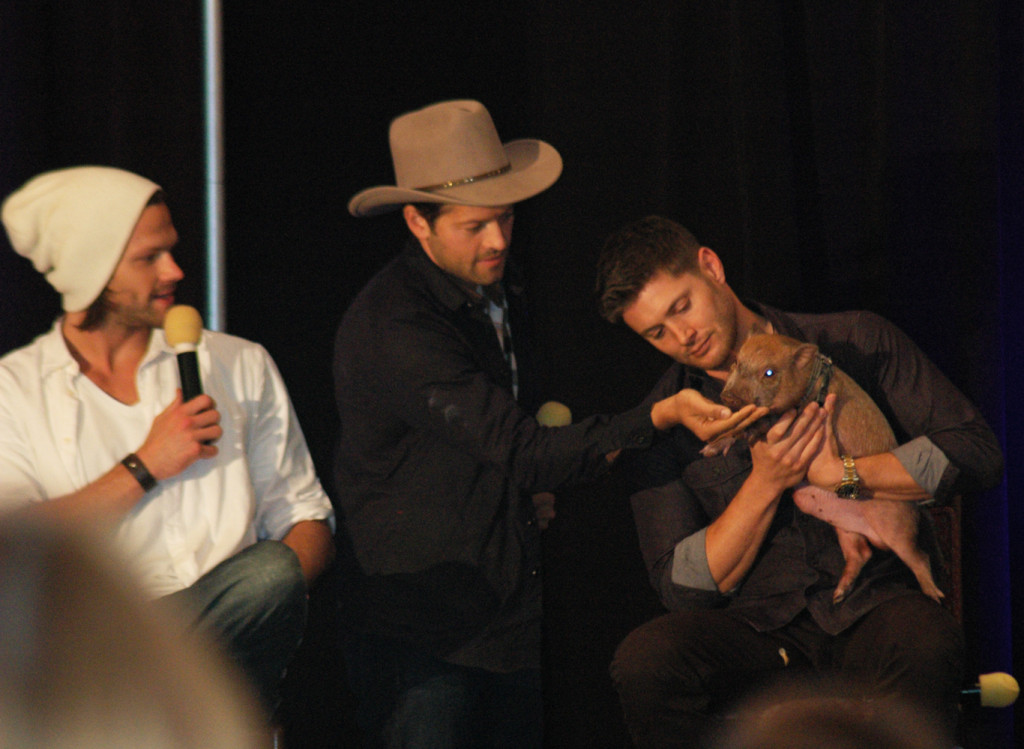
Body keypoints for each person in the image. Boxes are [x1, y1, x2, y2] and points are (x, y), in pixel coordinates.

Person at [336, 101, 754, 748]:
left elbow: (502, 442)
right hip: (425, 629)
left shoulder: (499, 287)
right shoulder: (397, 324)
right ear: (418, 222)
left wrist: (518, 491)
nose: (498, 240)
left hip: (506, 610)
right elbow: (522, 448)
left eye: (505, 217)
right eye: (475, 225)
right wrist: (658, 414)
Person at [593, 216, 1004, 748]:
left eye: (682, 307)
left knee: (924, 641)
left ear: (710, 267)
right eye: (657, 333)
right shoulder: (664, 420)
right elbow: (679, 586)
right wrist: (766, 482)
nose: (683, 336)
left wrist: (845, 475)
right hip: (759, 627)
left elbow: (975, 452)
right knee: (647, 661)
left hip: (874, 604)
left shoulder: (853, 339)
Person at [0, 166, 336, 717]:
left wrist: (266, 605)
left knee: (270, 573)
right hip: (95, 645)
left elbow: (306, 520)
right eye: (148, 258)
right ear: (91, 268)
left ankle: (159, 687)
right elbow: (17, 548)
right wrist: (145, 465)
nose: (174, 270)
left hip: (231, 650)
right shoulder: (15, 391)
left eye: (171, 250)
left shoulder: (237, 363)